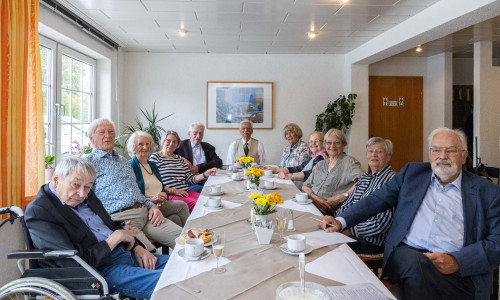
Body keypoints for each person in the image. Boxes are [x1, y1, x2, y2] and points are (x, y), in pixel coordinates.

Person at [320, 127, 500, 300]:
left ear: (464, 155)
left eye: (450, 150)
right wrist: (342, 221)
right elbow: (376, 200)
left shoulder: (488, 192)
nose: (442, 156)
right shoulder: (412, 174)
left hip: (457, 272)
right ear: (429, 153)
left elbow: (497, 242)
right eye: (436, 150)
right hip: (408, 257)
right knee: (415, 263)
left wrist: (457, 261)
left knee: (406, 288)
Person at [24, 156, 169, 299]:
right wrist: (113, 240)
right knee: (173, 282)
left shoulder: (87, 195)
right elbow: (72, 262)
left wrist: (137, 247)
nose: (82, 193)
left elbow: (110, 226)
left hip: (126, 253)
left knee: (185, 266)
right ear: (56, 180)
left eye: (88, 186)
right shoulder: (41, 211)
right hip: (101, 270)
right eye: (76, 184)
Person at [84, 118, 181, 251]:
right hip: (122, 220)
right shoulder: (88, 163)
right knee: (153, 259)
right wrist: (111, 225)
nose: (108, 135)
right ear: (91, 138)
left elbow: (137, 192)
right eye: (102, 132)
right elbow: (85, 201)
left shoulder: (123, 161)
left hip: (145, 213)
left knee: (186, 241)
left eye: (111, 131)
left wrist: (152, 206)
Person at [322, 137, 396, 255]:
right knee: (320, 233)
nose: (374, 155)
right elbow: (347, 204)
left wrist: (350, 230)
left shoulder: (392, 181)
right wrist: (336, 221)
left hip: (371, 241)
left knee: (325, 246)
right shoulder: (364, 178)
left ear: (389, 156)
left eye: (379, 151)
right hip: (347, 230)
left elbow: (382, 222)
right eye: (370, 151)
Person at [127, 131, 190, 227]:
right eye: (140, 144)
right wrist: (151, 200)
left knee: (175, 218)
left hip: (160, 204)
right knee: (182, 205)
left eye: (147, 144)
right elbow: (131, 197)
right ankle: (193, 236)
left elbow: (161, 188)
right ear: (134, 147)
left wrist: (164, 196)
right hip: (146, 207)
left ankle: (183, 239)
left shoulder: (152, 165)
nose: (145, 147)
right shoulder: (130, 166)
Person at [150, 130, 217, 212]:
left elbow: (190, 179)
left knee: (208, 201)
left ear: (177, 145)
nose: (171, 144)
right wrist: (174, 191)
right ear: (163, 141)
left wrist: (205, 174)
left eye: (174, 142)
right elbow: (153, 182)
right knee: (198, 206)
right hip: (169, 194)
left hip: (185, 192)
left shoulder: (180, 159)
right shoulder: (156, 157)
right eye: (168, 140)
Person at [302, 128, 363, 215]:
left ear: (343, 144)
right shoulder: (320, 164)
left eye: (337, 143)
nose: (332, 146)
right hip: (311, 205)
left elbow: (363, 181)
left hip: (331, 213)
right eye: (329, 143)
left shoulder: (349, 162)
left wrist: (344, 196)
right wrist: (315, 199)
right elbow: (305, 186)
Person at [175, 122, 223, 193]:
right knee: (205, 190)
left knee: (223, 187)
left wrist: (199, 168)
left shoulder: (208, 147)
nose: (198, 136)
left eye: (201, 133)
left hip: (207, 179)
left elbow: (219, 162)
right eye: (195, 133)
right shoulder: (180, 146)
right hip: (189, 182)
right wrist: (182, 158)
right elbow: (169, 155)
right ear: (189, 134)